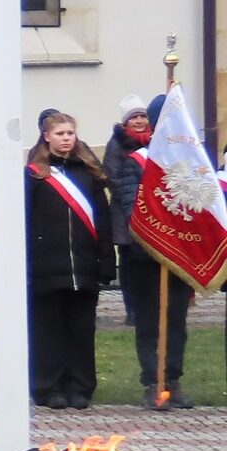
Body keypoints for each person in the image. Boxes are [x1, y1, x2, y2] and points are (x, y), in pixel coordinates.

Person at [108, 93, 197, 409]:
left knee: (176, 322)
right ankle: (152, 381)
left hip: (179, 257)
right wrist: (156, 239)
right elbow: (133, 205)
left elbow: (198, 205)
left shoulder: (188, 162)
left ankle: (172, 380)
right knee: (149, 322)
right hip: (145, 256)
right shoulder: (137, 162)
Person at [25, 112, 115, 409]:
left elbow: (102, 221)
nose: (66, 138)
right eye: (60, 133)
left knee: (81, 330)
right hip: (46, 267)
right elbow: (25, 221)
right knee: (47, 331)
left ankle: (80, 387)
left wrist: (106, 261)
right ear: (46, 136)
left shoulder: (88, 174)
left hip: (84, 266)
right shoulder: (34, 175)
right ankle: (48, 387)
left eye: (70, 133)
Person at [102, 96, 152, 327]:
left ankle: (151, 304)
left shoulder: (155, 141)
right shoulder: (116, 144)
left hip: (153, 212)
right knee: (130, 263)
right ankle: (132, 309)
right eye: (134, 117)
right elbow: (112, 178)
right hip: (126, 215)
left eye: (142, 116)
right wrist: (137, 201)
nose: (140, 121)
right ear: (126, 122)